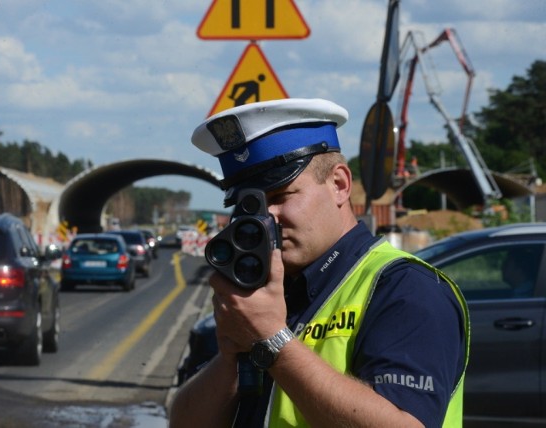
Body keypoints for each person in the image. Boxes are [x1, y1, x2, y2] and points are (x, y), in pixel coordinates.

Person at [169, 98, 469, 427]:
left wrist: (273, 339)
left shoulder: (407, 289)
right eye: (249, 206)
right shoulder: (270, 291)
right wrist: (231, 356)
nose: (265, 219)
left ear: (339, 184)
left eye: (281, 196)